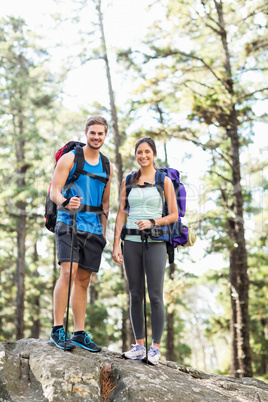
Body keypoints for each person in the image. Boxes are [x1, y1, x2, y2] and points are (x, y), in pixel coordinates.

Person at [50, 115, 113, 351]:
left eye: (101, 133)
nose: (96, 137)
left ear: (106, 136)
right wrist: (65, 202)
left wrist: (104, 232)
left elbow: (106, 203)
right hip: (69, 222)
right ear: (86, 133)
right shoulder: (70, 158)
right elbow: (54, 191)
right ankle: (57, 329)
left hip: (94, 228)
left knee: (84, 281)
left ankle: (78, 333)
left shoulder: (108, 166)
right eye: (92, 133)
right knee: (68, 272)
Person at [112, 137, 178, 365]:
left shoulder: (164, 180)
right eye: (139, 152)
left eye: (147, 152)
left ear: (154, 154)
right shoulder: (128, 181)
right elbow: (121, 213)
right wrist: (115, 244)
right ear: (136, 154)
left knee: (156, 295)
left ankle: (155, 348)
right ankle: (139, 346)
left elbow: (174, 215)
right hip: (130, 241)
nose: (143, 156)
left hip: (156, 243)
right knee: (136, 294)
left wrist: (153, 221)